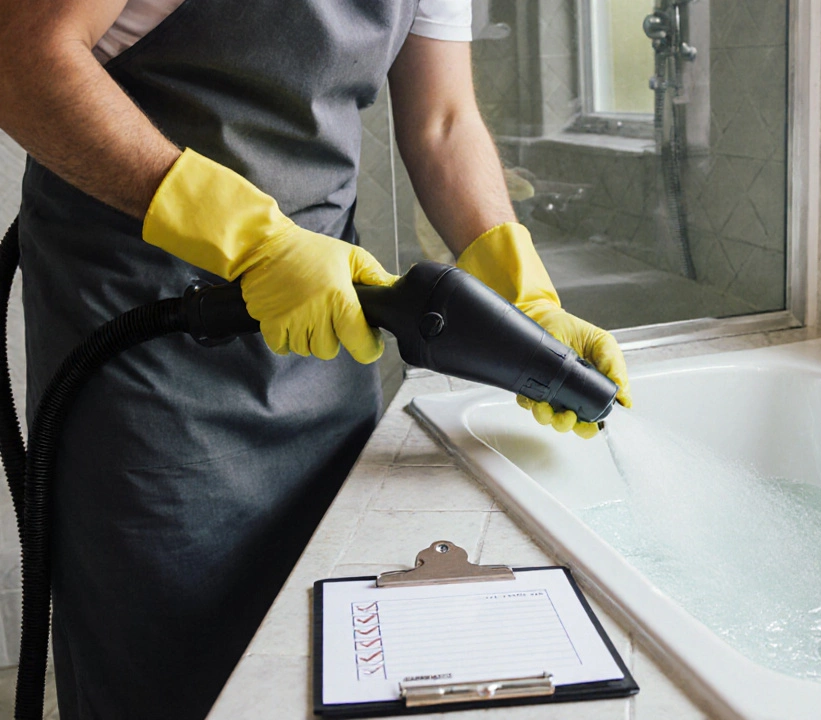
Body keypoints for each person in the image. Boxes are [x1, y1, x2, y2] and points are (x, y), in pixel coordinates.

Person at [0, 0, 631, 717]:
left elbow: (444, 121)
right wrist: (252, 240)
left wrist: (525, 295)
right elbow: (21, 60)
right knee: (166, 659)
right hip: (146, 336)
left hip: (324, 325)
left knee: (323, 646)